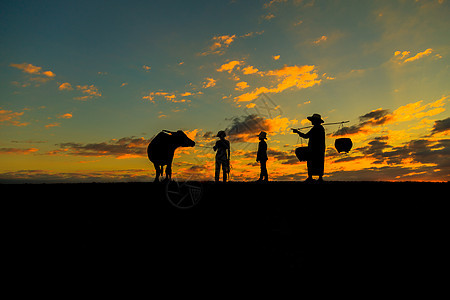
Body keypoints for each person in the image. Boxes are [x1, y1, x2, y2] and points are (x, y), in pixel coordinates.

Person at [293, 113, 326, 182]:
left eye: (313, 120)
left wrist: (297, 132)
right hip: (319, 149)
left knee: (312, 162)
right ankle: (318, 178)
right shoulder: (319, 128)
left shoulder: (316, 129)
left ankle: (312, 177)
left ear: (316, 121)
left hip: (315, 149)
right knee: (318, 162)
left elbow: (306, 136)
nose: (312, 122)